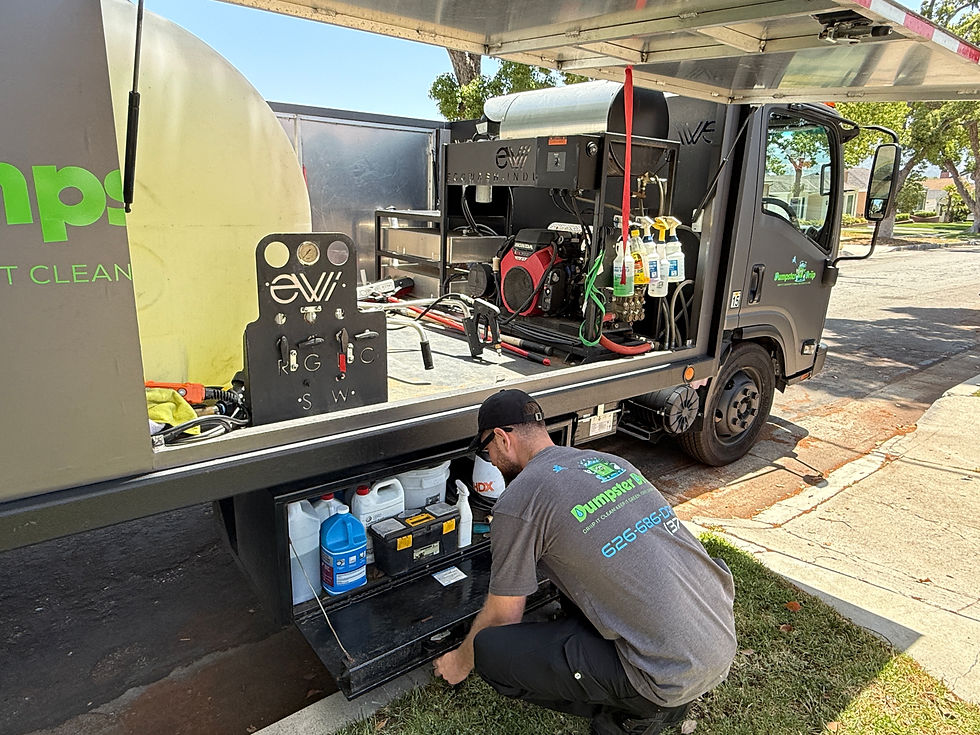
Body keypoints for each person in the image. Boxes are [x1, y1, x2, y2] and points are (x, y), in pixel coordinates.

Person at [434, 390, 737, 735]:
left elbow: (504, 616)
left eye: (486, 449)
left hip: (667, 675)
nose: (488, 457)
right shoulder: (607, 462)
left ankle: (636, 713)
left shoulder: (518, 500)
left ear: (503, 438)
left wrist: (458, 663)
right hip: (716, 636)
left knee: (490, 650)